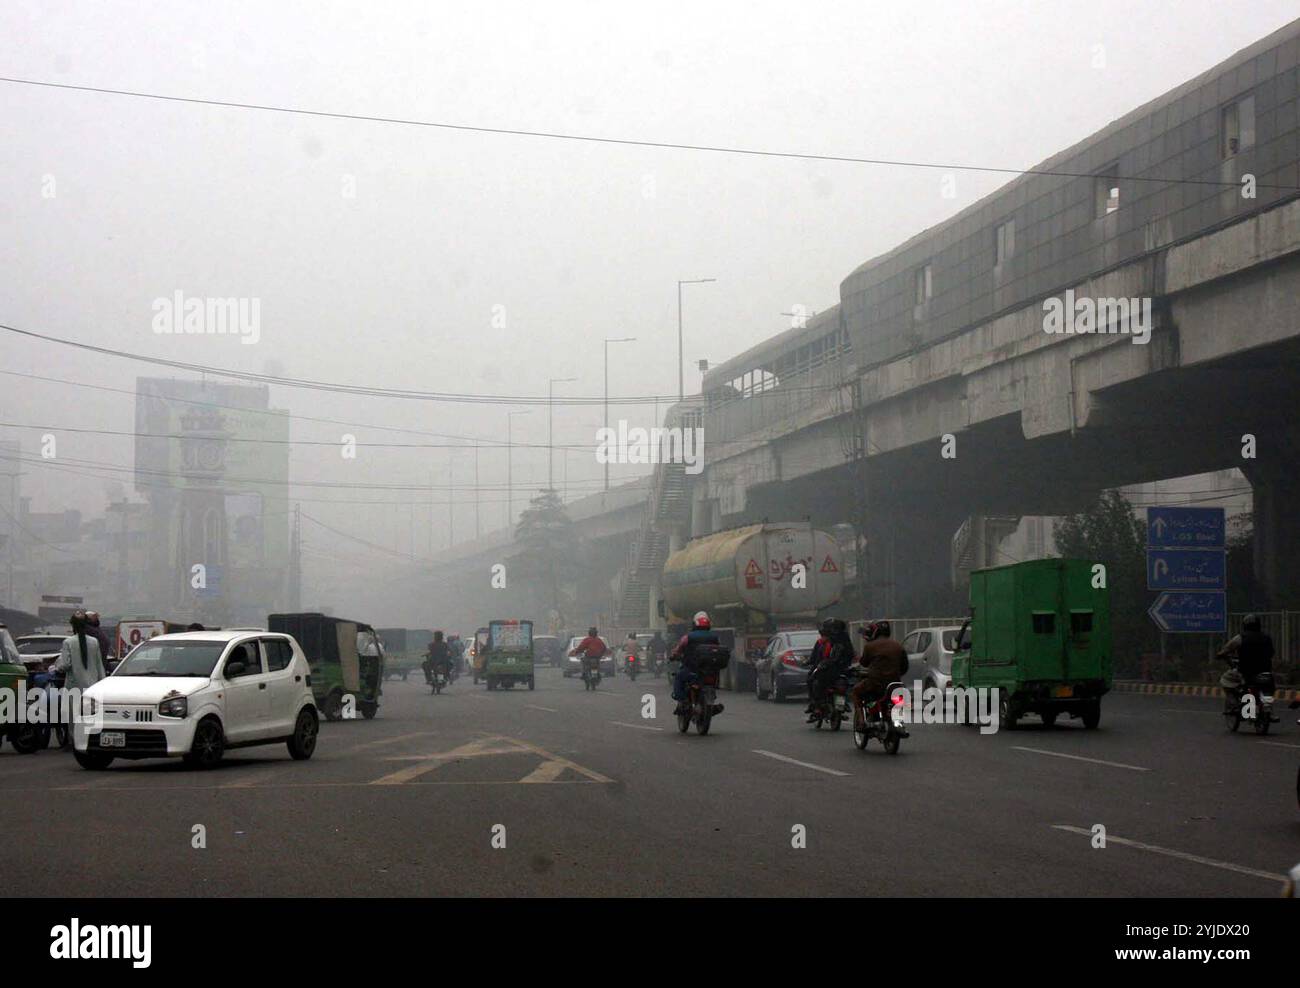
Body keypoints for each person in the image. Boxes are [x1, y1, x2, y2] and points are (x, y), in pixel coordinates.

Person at [850, 620, 907, 725]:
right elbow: (904, 667)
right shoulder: (898, 646)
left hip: (875, 684)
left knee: (855, 692)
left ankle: (861, 721)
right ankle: (899, 720)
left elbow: (864, 663)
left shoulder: (870, 646)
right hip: (894, 684)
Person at [1217, 613, 1276, 712]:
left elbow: (1226, 650)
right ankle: (1268, 709)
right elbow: (1271, 653)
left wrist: (1220, 655)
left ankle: (1233, 703)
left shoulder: (1240, 638)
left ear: (1245, 625)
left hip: (1245, 671)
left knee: (1225, 680)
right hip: (1264, 671)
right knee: (1268, 688)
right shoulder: (1267, 638)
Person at [670, 611, 724, 716]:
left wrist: (673, 656)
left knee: (678, 677)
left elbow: (678, 650)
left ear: (694, 624)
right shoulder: (715, 637)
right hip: (710, 672)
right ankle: (709, 705)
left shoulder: (688, 637)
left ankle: (683, 702)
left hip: (691, 670)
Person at [53, 609, 107, 700]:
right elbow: (99, 666)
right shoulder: (94, 642)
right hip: (92, 687)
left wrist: (56, 666)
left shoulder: (68, 642)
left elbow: (65, 665)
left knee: (72, 712)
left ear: (73, 625)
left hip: (73, 687)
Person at [804, 619, 851, 721]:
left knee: (812, 681)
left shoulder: (824, 641)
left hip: (827, 670)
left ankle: (816, 706)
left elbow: (817, 658)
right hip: (841, 669)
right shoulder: (844, 638)